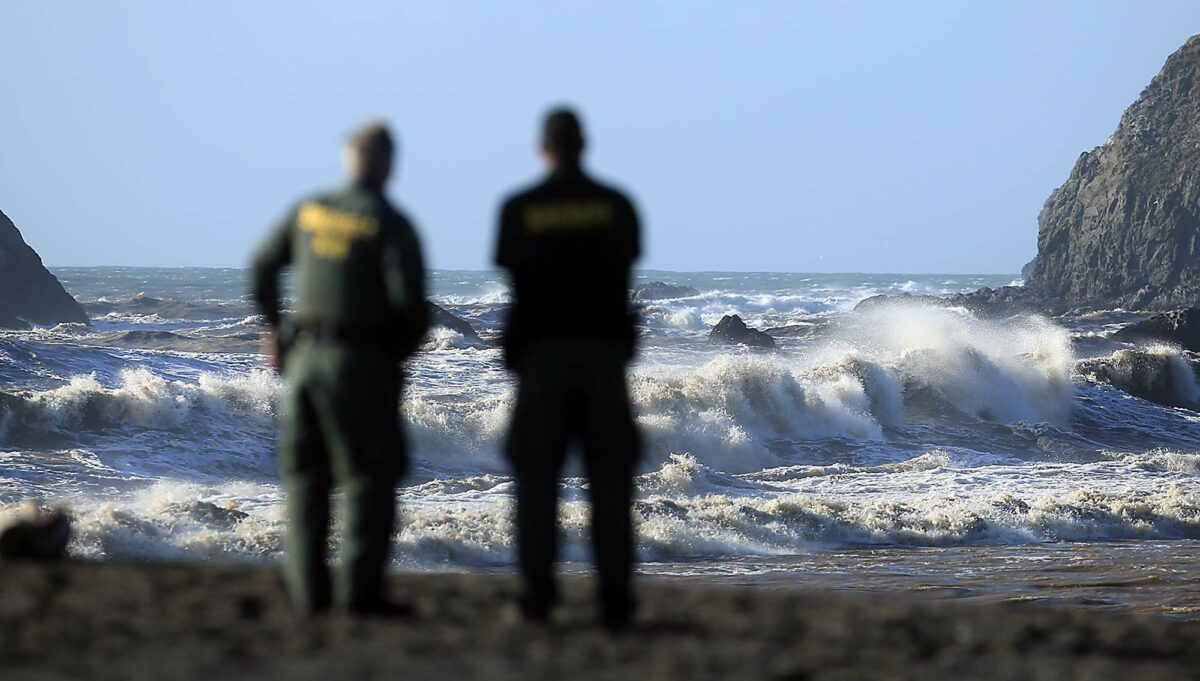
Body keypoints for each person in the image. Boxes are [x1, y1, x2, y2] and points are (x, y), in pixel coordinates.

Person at [250, 120, 428, 616]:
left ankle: (308, 595)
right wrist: (397, 356)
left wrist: (273, 328)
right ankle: (358, 596)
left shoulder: (310, 211)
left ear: (347, 159)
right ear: (390, 165)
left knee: (306, 476)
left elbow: (263, 266)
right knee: (368, 478)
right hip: (361, 362)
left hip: (305, 359)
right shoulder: (390, 222)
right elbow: (411, 307)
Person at [495, 107, 642, 628]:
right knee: (610, 481)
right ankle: (615, 600)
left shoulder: (520, 207)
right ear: (585, 145)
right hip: (601, 357)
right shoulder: (616, 205)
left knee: (536, 480)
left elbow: (516, 289)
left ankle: (536, 596)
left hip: (542, 357)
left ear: (544, 148)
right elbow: (624, 282)